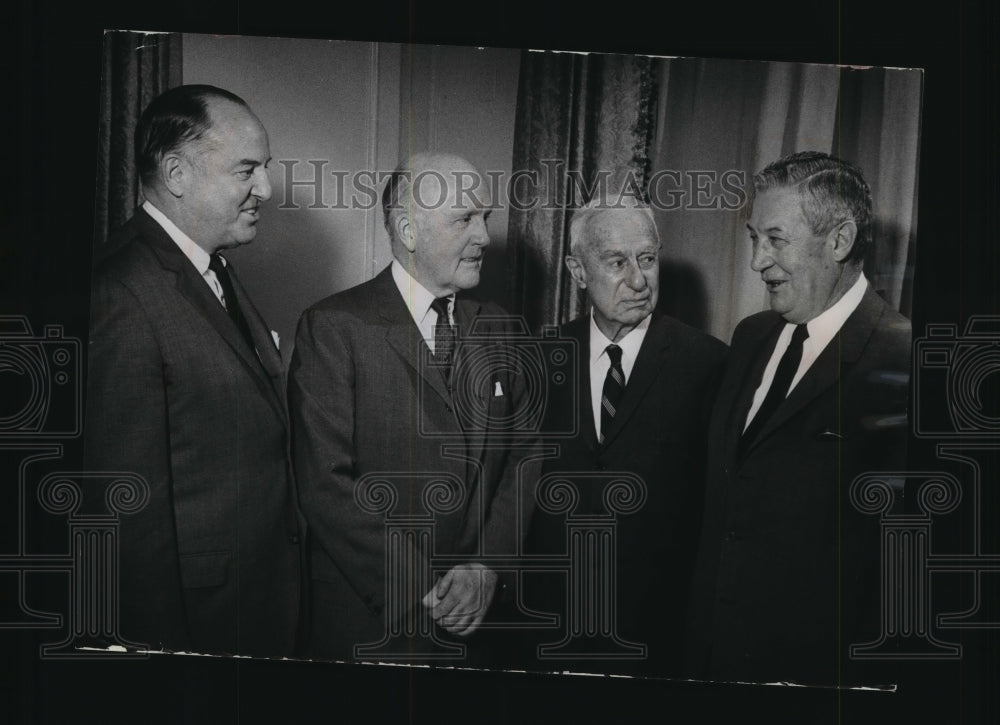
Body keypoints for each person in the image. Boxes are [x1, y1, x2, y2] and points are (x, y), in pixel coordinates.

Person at [84, 84, 302, 657]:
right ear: (177, 174)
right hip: (194, 626)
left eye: (266, 168)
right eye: (247, 170)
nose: (266, 189)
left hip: (250, 605)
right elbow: (125, 516)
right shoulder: (119, 290)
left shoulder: (212, 268)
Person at [684, 151, 911, 686]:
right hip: (708, 661)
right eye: (753, 238)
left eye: (776, 240)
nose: (757, 262)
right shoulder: (749, 337)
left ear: (839, 241)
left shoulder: (907, 362)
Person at [288, 152, 525, 663]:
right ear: (409, 231)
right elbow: (324, 482)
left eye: (484, 217)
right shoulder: (333, 327)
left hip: (480, 624)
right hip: (373, 622)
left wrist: (486, 567)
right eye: (465, 219)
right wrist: (423, 590)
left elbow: (526, 459)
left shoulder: (501, 327)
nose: (484, 236)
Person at [520, 196, 726, 676]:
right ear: (577, 270)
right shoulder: (538, 359)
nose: (638, 280)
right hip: (548, 628)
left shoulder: (710, 364)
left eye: (648, 259)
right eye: (617, 262)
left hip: (658, 634)